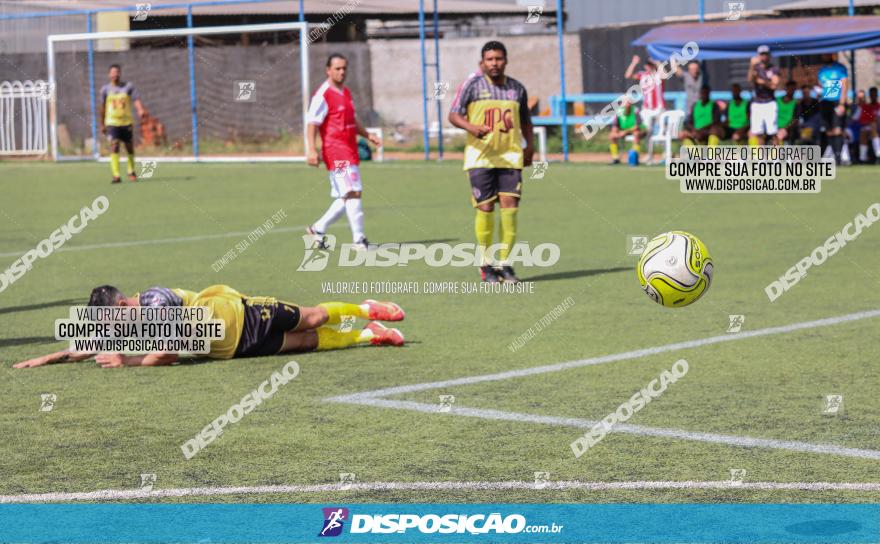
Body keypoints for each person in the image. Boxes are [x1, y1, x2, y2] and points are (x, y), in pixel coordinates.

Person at [13, 285, 405, 369]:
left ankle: (365, 307)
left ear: (120, 306)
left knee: (314, 317)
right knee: (307, 343)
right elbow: (97, 343)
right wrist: (53, 356)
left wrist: (128, 362)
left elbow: (165, 353)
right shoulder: (137, 322)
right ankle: (368, 334)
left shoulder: (155, 302)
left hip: (245, 314)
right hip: (232, 347)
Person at [448, 40, 534, 284]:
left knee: (510, 209)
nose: (494, 63)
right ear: (482, 63)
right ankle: (485, 265)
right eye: (490, 59)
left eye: (498, 59)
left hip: (510, 156)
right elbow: (453, 114)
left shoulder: (517, 88)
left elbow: (526, 121)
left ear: (505, 61)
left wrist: (531, 148)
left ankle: (505, 264)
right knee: (486, 208)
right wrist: (471, 127)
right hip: (480, 157)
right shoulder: (472, 85)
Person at [306, 53, 382, 251]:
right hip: (336, 151)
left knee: (346, 195)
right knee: (353, 192)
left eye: (344, 68)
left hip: (349, 149)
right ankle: (359, 240)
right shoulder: (323, 94)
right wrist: (311, 150)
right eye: (337, 68)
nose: (342, 72)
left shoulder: (346, 92)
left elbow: (352, 120)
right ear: (328, 70)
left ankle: (318, 229)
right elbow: (312, 123)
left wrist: (367, 135)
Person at [98, 64, 146, 184]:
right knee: (114, 146)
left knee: (129, 147)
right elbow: (102, 108)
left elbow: (136, 99)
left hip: (126, 122)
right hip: (112, 122)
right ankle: (116, 175)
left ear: (120, 73)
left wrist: (140, 110)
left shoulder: (128, 87)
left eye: (117, 72)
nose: (115, 74)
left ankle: (131, 171)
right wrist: (102, 123)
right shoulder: (105, 90)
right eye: (113, 72)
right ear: (109, 75)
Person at [625, 55, 665, 164]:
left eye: (650, 65)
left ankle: (667, 154)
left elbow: (664, 74)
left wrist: (657, 62)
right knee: (647, 132)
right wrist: (633, 63)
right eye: (648, 65)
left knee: (663, 131)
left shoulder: (658, 75)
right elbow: (628, 75)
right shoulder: (642, 75)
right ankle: (649, 155)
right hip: (647, 108)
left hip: (659, 108)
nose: (649, 67)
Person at [747, 45, 780, 146]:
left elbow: (774, 85)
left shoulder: (774, 69)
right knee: (758, 133)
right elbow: (749, 80)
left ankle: (777, 157)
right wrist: (751, 66)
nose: (764, 57)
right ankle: (762, 159)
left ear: (769, 55)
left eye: (766, 54)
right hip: (757, 103)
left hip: (770, 102)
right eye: (762, 54)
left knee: (773, 132)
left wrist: (762, 82)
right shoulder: (756, 68)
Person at [608, 100, 644, 164]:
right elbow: (615, 126)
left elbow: (637, 126)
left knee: (636, 134)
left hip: (635, 131)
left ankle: (635, 157)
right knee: (612, 135)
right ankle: (615, 158)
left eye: (628, 103)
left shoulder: (635, 110)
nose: (627, 105)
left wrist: (625, 132)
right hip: (623, 131)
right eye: (625, 104)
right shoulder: (619, 112)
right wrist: (617, 133)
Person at [858, 87, 880, 163]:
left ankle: (878, 155)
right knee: (863, 133)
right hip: (867, 128)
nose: (873, 96)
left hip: (877, 127)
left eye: (874, 94)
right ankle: (862, 158)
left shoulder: (879, 106)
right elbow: (861, 120)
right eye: (871, 94)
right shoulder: (866, 107)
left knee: (873, 127)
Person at [775, 80, 798, 145]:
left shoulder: (796, 103)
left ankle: (777, 154)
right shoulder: (776, 100)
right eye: (790, 88)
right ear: (786, 89)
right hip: (774, 126)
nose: (792, 91)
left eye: (794, 89)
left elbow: (795, 119)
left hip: (787, 128)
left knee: (780, 136)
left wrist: (785, 128)